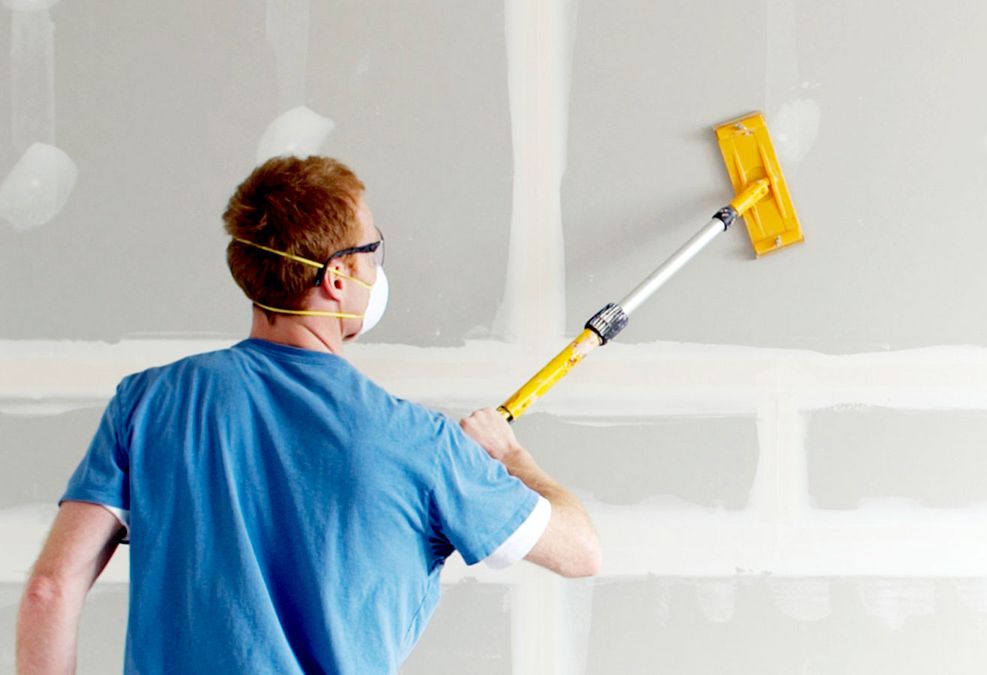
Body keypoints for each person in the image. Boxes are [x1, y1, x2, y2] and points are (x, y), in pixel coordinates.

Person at [15, 155, 601, 673]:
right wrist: (513, 457)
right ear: (337, 276)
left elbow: (49, 589)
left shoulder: (149, 402)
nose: (379, 268)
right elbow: (581, 552)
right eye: (373, 249)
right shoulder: (422, 443)